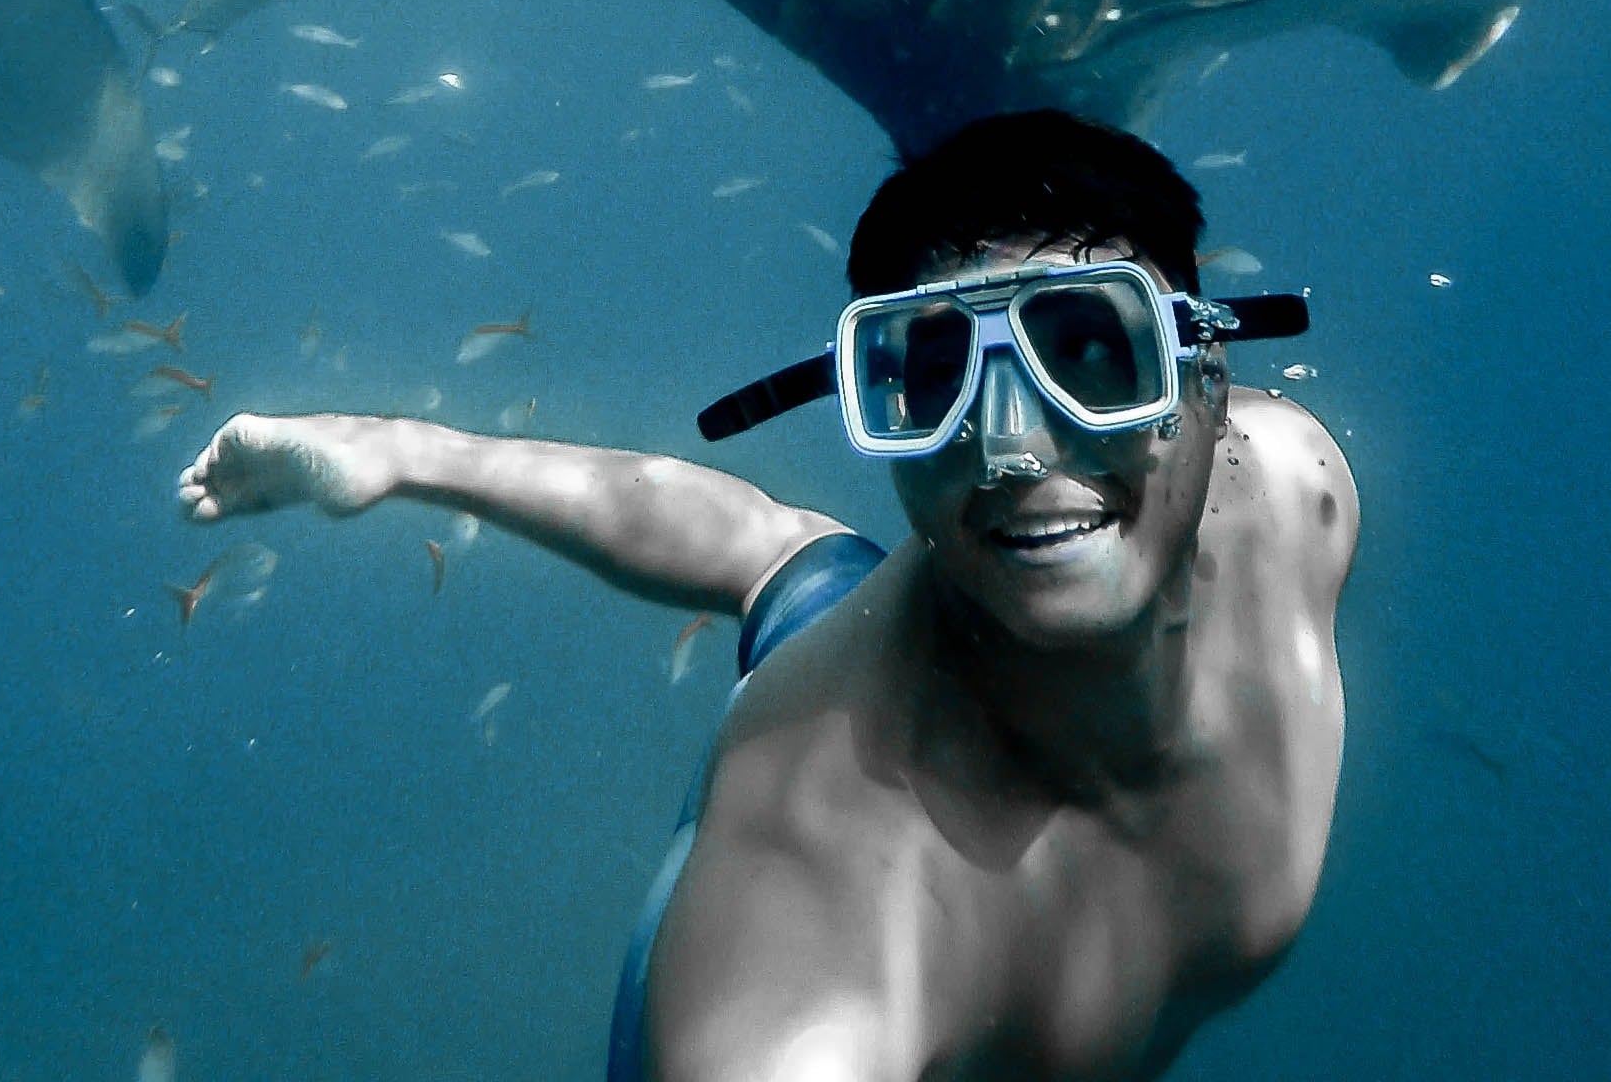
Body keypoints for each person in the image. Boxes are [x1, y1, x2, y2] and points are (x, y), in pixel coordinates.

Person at [179, 110, 1357, 1082]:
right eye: (931, 375)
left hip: (902, 623)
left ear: (1211, 380)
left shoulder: (1295, 491)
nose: (1012, 447)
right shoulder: (822, 902)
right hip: (830, 766)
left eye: (1096, 353)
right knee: (819, 606)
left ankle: (403, 450)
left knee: (796, 563)